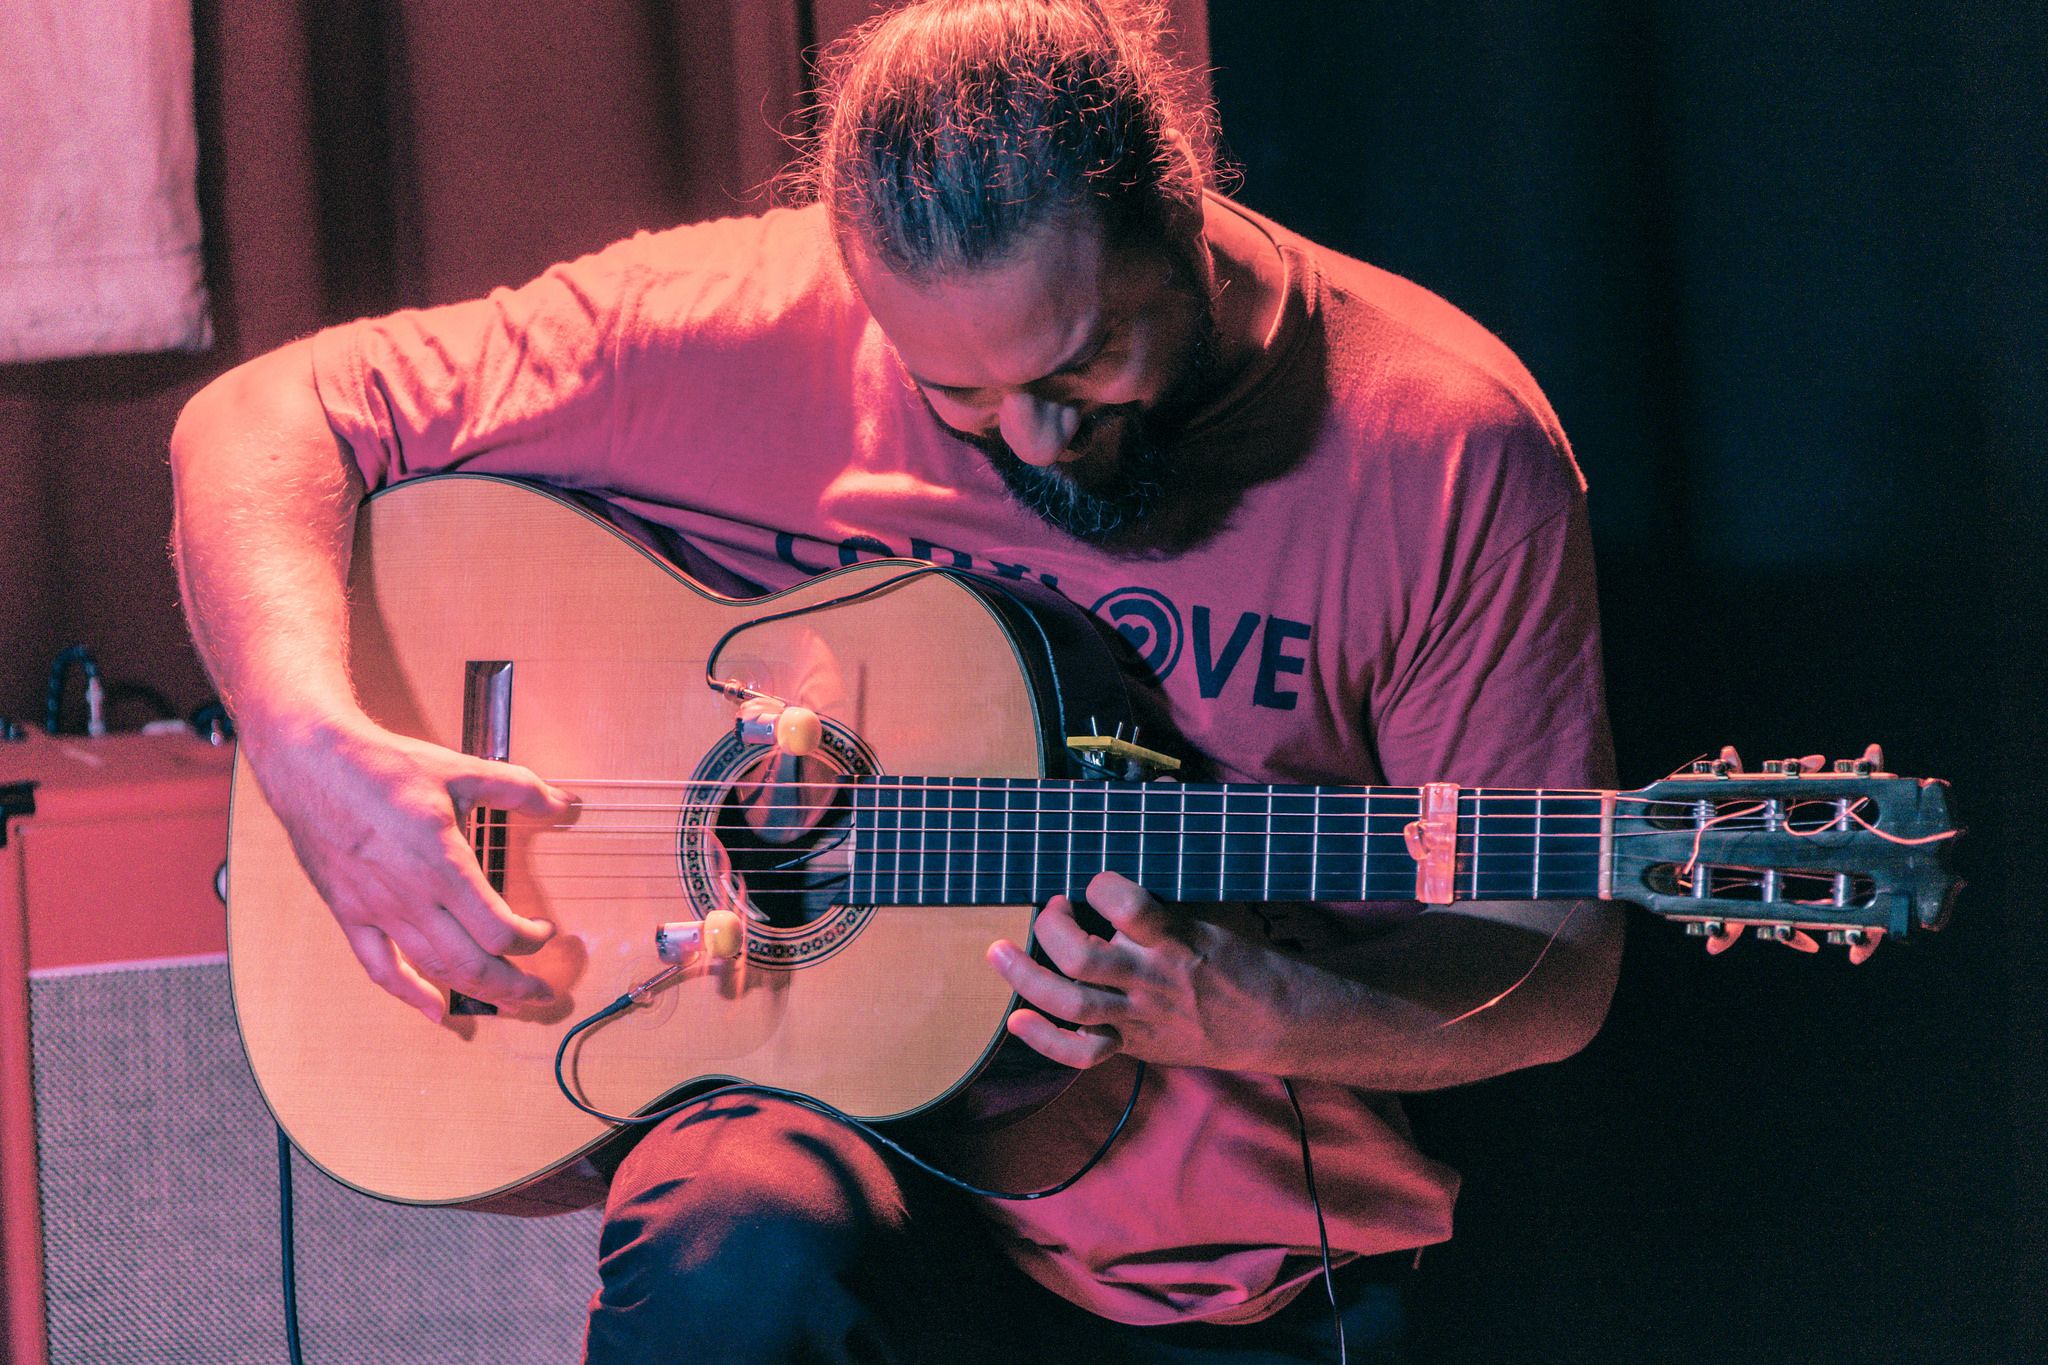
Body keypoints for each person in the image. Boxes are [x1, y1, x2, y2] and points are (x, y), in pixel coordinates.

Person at [170, 1, 1621, 1359]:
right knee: (729, 1247)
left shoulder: (1443, 455)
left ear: (1180, 214)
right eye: (961, 398)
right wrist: (312, 746)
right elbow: (262, 418)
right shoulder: (735, 318)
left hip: (1213, 1258)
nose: (1038, 441)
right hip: (828, 1132)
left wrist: (1265, 1012)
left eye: (1089, 358)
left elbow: (1552, 966)